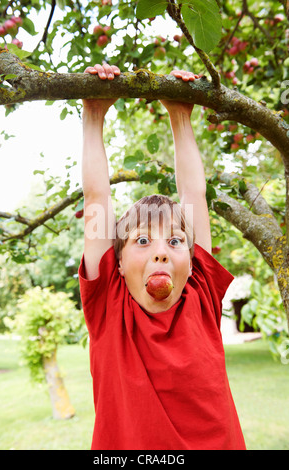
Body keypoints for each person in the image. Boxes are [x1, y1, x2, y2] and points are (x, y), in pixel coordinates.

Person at [78, 63, 246, 450]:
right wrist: (93, 114)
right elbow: (96, 199)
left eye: (174, 241)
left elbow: (194, 195)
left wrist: (181, 114)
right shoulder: (108, 303)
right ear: (115, 264)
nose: (161, 253)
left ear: (192, 258)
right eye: (141, 242)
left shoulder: (201, 292)